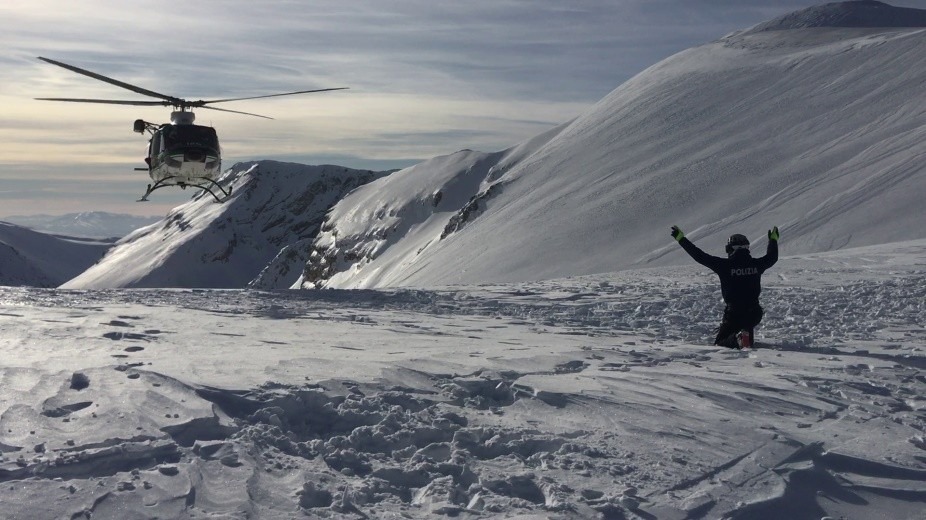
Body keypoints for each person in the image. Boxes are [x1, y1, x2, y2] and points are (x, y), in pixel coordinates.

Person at [670, 225, 779, 348]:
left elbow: (699, 256)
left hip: (734, 314)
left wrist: (681, 239)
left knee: (721, 342)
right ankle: (744, 336)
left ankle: (738, 339)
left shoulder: (725, 265)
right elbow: (772, 257)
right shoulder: (757, 264)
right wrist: (773, 240)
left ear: (732, 249)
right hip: (754, 313)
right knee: (746, 333)